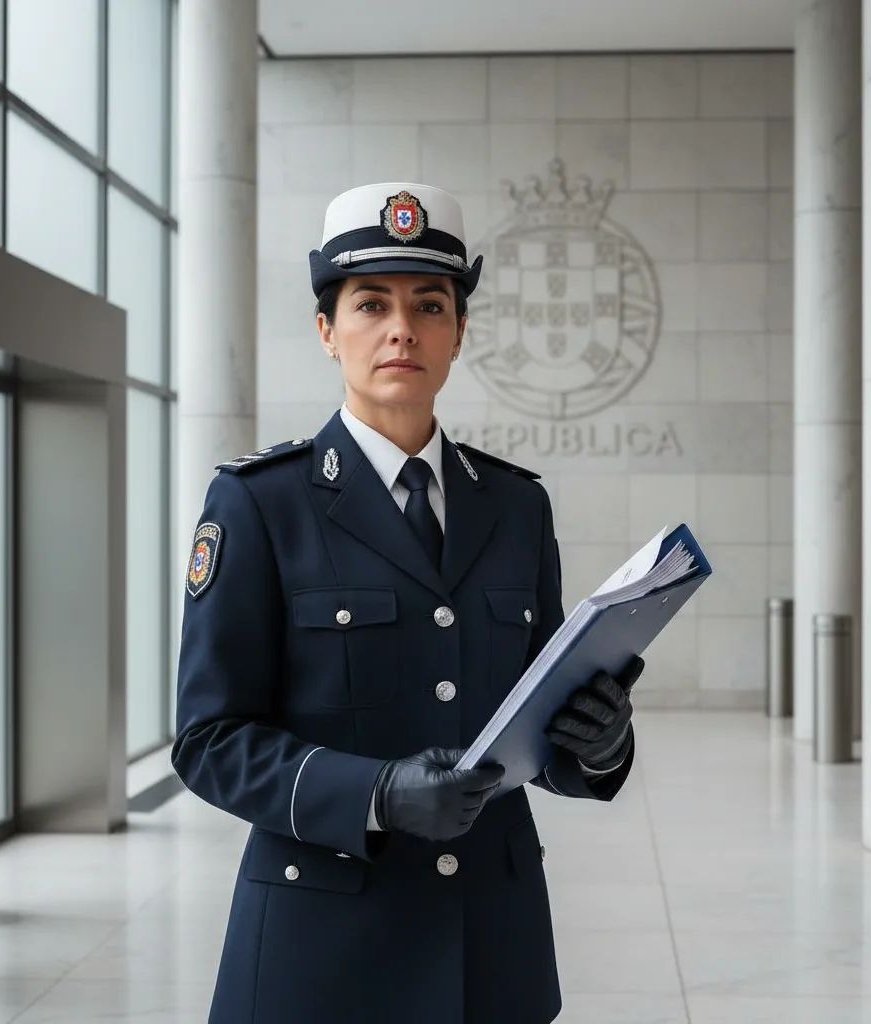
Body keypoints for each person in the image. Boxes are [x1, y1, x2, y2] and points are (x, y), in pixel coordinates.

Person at [172, 182, 644, 1024]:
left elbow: (534, 727)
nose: (402, 328)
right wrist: (377, 793)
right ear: (327, 331)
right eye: (371, 303)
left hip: (490, 951)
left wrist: (599, 746)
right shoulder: (258, 505)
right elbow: (209, 741)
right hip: (321, 951)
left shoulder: (514, 507)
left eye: (430, 303)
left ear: (459, 333)